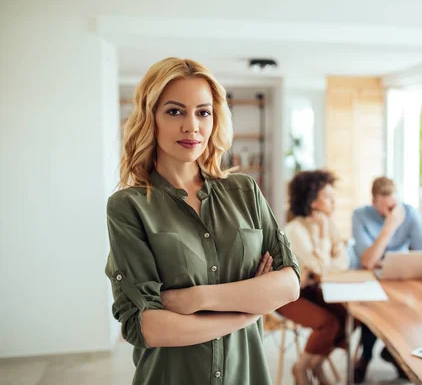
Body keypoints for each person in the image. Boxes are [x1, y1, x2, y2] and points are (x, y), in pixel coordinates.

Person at [104, 57, 300, 385]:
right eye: (175, 111)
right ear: (150, 117)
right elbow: (151, 327)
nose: (192, 126)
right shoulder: (129, 207)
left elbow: (289, 284)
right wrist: (248, 310)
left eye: (203, 112)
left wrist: (198, 299)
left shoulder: (245, 191)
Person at [351, 176, 422, 383]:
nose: (393, 211)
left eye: (394, 206)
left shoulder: (410, 213)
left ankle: (393, 352)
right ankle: (366, 356)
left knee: (414, 307)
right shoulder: (360, 215)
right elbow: (367, 261)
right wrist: (390, 226)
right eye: (386, 207)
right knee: (373, 309)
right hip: (369, 277)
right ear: (373, 202)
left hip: (400, 277)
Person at [276, 170, 350, 385]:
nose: (333, 201)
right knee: (328, 323)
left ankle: (315, 365)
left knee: (348, 319)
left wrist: (326, 252)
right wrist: (324, 240)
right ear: (313, 202)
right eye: (327, 196)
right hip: (288, 295)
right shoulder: (295, 229)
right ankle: (300, 369)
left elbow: (342, 263)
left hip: (310, 289)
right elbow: (323, 267)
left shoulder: (326, 223)